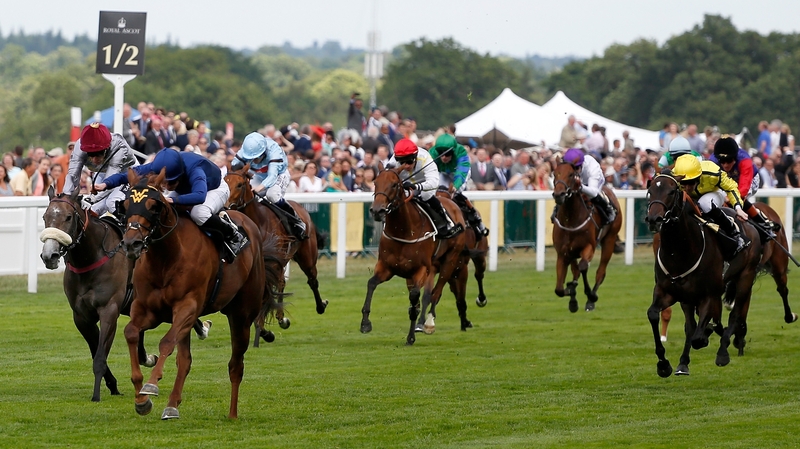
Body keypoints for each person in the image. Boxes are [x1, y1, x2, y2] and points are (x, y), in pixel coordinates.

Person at [97, 148, 248, 260]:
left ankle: (232, 234)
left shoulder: (195, 169)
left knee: (198, 213)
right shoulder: (158, 166)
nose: (168, 187)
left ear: (180, 175)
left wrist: (174, 200)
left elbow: (200, 196)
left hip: (213, 189)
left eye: (171, 183)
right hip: (187, 189)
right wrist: (106, 184)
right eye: (165, 182)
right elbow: (130, 173)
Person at [233, 132, 308, 240]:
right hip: (259, 175)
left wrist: (259, 188)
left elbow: (272, 176)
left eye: (256, 157)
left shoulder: (274, 151)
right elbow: (234, 166)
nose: (253, 160)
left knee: (272, 195)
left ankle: (296, 221)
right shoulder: (246, 150)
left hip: (279, 174)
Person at [672, 154, 749, 257]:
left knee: (705, 203)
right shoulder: (674, 177)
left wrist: (738, 208)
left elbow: (731, 187)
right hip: (692, 199)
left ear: (699, 176)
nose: (687, 187)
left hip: (714, 194)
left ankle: (734, 233)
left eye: (690, 182)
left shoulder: (712, 172)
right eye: (683, 183)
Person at [390, 138, 462, 239]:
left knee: (425, 196)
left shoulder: (425, 158)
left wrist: (416, 187)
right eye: (402, 163)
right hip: (405, 184)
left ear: (415, 157)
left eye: (409, 162)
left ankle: (447, 222)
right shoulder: (392, 162)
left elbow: (433, 183)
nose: (406, 166)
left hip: (425, 184)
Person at [63, 123, 139, 217]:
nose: (94, 160)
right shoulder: (79, 146)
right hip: (102, 172)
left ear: (107, 148)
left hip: (126, 172)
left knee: (112, 203)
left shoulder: (119, 146)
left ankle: (129, 228)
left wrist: (91, 199)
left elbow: (111, 180)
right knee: (93, 209)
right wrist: (66, 196)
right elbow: (72, 175)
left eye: (98, 153)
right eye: (90, 154)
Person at [710, 137, 778, 238]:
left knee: (735, 199)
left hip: (751, 179)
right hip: (728, 180)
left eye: (729, 161)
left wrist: (731, 199)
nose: (725, 165)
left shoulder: (744, 160)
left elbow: (743, 189)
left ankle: (763, 225)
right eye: (722, 162)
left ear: (735, 157)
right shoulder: (712, 161)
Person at [428, 134, 488, 238]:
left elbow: (461, 174)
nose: (444, 157)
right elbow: (428, 172)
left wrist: (455, 186)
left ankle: (476, 220)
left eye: (447, 154)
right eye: (441, 154)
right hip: (442, 172)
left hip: (459, 172)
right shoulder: (432, 153)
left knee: (455, 193)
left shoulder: (461, 153)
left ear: (453, 151)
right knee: (436, 193)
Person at [560, 149, 616, 225]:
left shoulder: (592, 169)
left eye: (575, 168)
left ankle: (608, 209)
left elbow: (593, 192)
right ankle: (556, 211)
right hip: (581, 180)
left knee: (591, 197)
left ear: (581, 165)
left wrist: (580, 187)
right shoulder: (568, 162)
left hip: (593, 182)